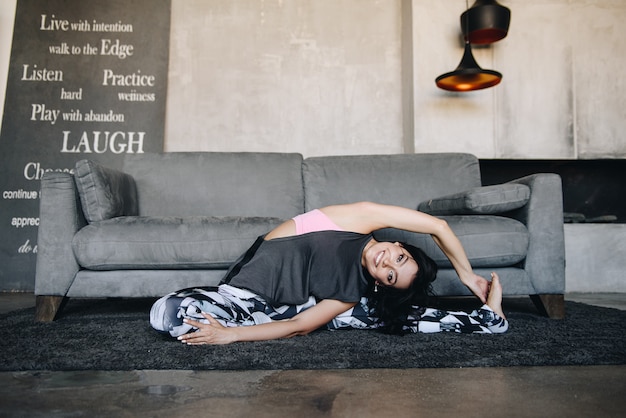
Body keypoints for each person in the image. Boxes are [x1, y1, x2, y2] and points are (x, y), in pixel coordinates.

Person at [150, 201, 508, 345]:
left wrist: (230, 338)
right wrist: (466, 275)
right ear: (399, 244)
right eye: (398, 259)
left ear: (383, 283)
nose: (387, 264)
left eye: (390, 277)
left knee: (373, 314)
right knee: (169, 312)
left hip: (283, 312)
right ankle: (244, 325)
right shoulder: (357, 220)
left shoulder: (351, 291)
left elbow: (299, 326)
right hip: (235, 300)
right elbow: (437, 225)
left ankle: (486, 320)